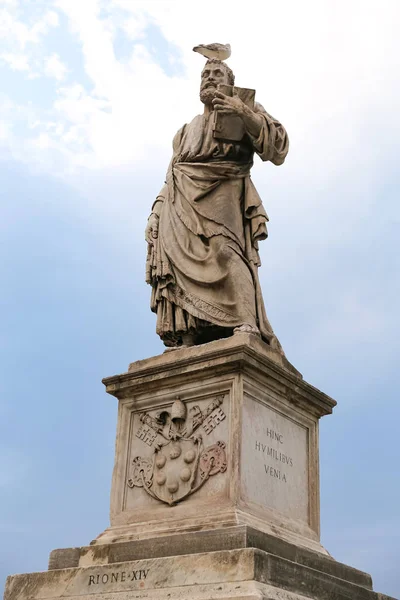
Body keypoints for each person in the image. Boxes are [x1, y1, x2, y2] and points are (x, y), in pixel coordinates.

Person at [145, 58, 289, 349]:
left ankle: (246, 321)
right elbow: (172, 172)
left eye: (217, 73)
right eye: (205, 74)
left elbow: (277, 149)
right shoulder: (186, 129)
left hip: (223, 193)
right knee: (177, 260)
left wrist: (244, 113)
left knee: (226, 251)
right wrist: (156, 211)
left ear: (229, 82)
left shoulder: (244, 109)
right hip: (180, 199)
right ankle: (191, 330)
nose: (209, 78)